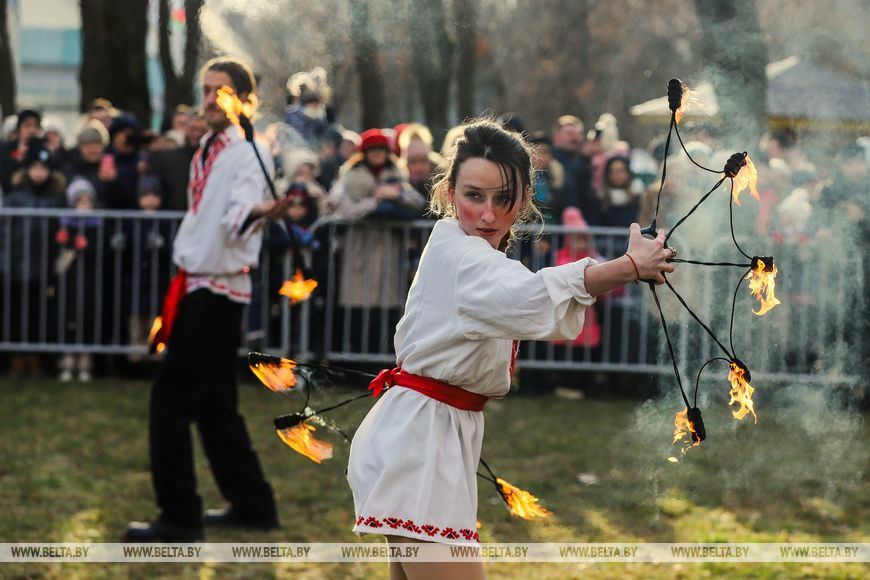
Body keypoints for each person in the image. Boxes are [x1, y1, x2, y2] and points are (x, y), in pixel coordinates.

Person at [346, 119, 676, 579]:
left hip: (425, 435)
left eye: (502, 198)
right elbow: (532, 296)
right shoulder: (461, 254)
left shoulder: (464, 247)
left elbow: (528, 299)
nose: (487, 214)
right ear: (449, 193)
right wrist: (627, 267)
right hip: (419, 442)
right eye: (473, 195)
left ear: (522, 201)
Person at [125, 56, 291, 542]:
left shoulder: (247, 152)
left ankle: (179, 517)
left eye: (221, 91)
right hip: (197, 283)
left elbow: (239, 213)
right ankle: (253, 505)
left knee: (170, 401)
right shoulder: (206, 149)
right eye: (205, 89)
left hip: (216, 291)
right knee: (216, 404)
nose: (210, 99)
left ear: (244, 100)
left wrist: (263, 211)